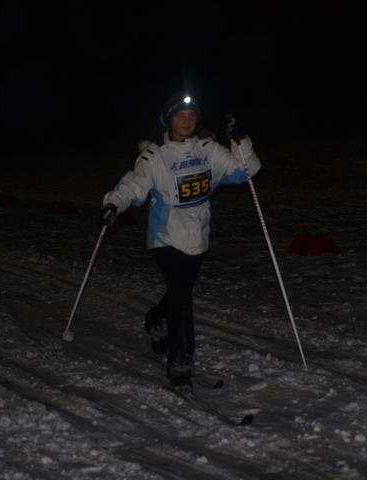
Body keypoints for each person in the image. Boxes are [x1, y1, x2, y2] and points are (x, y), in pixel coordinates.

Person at [100, 91, 260, 391]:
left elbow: (244, 171)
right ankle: (180, 364)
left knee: (180, 291)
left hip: (197, 235)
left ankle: (157, 317)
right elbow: (133, 186)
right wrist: (112, 204)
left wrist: (241, 140)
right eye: (180, 115)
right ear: (168, 119)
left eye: (192, 115)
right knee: (182, 296)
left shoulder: (207, 149)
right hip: (166, 237)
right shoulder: (155, 156)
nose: (187, 120)